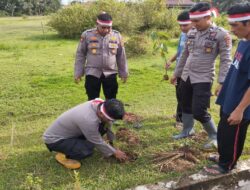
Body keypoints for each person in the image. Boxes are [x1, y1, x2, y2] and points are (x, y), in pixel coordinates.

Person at [170, 2, 232, 149]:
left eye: (196, 21)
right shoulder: (191, 33)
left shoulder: (220, 34)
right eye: (192, 21)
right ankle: (187, 130)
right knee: (184, 104)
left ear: (208, 17)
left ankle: (214, 136)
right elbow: (184, 55)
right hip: (186, 76)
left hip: (203, 78)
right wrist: (176, 73)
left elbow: (226, 60)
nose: (193, 24)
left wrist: (222, 82)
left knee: (199, 110)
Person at [205, 3, 250, 174]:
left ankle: (227, 165)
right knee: (224, 131)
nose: (231, 30)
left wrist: (240, 109)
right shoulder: (245, 41)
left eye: (235, 25)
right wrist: (224, 85)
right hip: (231, 96)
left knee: (233, 135)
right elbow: (237, 68)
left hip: (241, 103)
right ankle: (223, 156)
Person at [43, 98, 128, 169]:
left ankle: (73, 146)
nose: (111, 122)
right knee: (86, 150)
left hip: (71, 132)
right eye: (110, 119)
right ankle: (63, 155)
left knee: (102, 128)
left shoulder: (100, 104)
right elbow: (96, 141)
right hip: (55, 140)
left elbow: (108, 127)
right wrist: (114, 152)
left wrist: (112, 144)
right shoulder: (88, 119)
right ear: (101, 114)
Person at [74, 12, 128, 100]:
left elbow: (121, 55)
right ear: (97, 24)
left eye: (109, 27)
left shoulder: (117, 35)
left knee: (111, 100)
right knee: (92, 101)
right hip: (92, 73)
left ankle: (108, 114)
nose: (106, 30)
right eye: (103, 27)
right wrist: (78, 73)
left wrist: (124, 73)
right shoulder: (87, 35)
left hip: (110, 73)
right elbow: (80, 54)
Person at [166, 11, 193, 128]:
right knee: (179, 94)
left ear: (192, 23)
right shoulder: (183, 35)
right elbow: (180, 51)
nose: (182, 28)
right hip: (179, 70)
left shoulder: (195, 35)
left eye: (185, 25)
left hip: (189, 72)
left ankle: (182, 120)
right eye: (180, 25)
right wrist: (171, 61)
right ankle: (180, 113)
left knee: (184, 96)